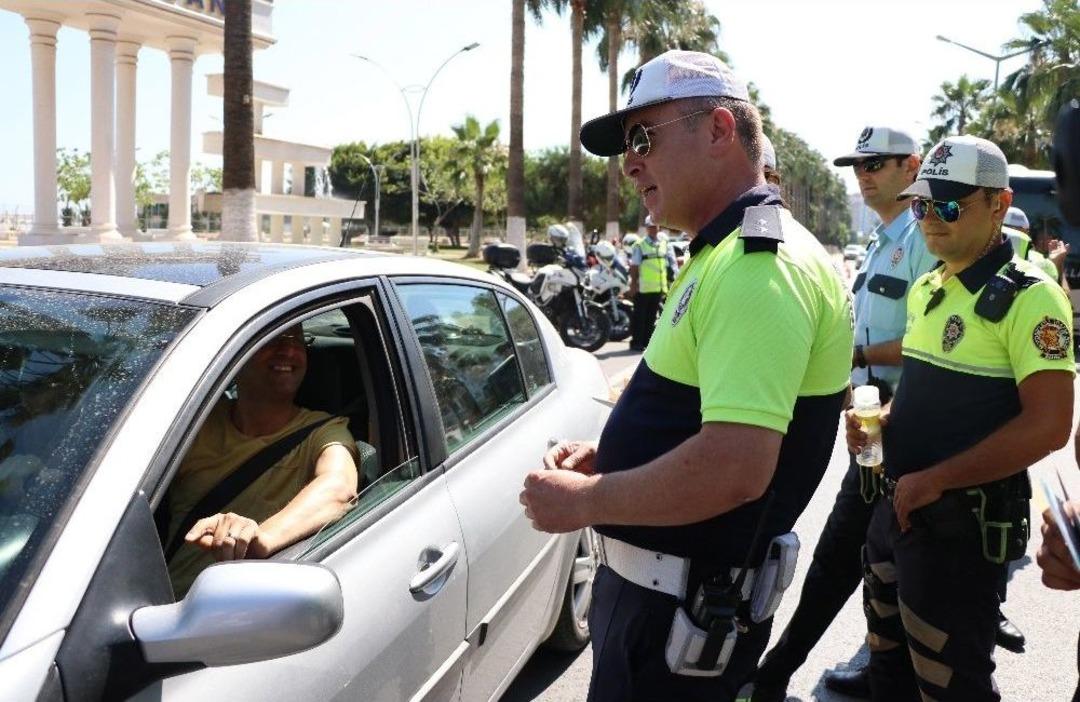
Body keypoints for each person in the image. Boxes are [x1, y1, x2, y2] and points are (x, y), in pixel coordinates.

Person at [519, 49, 853, 702]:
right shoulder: (724, 250)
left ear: (720, 130)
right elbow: (705, 417)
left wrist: (587, 502)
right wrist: (612, 461)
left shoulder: (759, 267)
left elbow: (735, 467)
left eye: (643, 137)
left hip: (673, 624)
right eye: (626, 146)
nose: (630, 161)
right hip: (663, 607)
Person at [848, 135, 1074, 701]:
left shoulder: (1031, 298)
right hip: (895, 513)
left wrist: (940, 479)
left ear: (998, 205)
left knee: (952, 684)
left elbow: (1050, 426)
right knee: (886, 671)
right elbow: (926, 393)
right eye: (923, 205)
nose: (930, 220)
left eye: (949, 206)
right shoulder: (931, 286)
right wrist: (882, 422)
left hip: (957, 533)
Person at [752, 125, 939, 701]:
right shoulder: (886, 240)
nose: (863, 175)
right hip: (870, 426)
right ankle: (858, 668)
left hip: (908, 426)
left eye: (876, 164)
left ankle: (776, 673)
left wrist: (855, 356)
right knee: (865, 555)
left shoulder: (925, 237)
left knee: (856, 554)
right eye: (857, 166)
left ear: (911, 168)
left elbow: (928, 342)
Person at [163, 324, 360, 597]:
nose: (289, 350)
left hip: (244, 612)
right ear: (237, 353)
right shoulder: (192, 423)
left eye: (298, 341)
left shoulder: (324, 431)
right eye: (274, 338)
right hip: (161, 602)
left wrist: (257, 538)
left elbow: (338, 488)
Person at [628, 214, 677, 350]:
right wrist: (633, 285)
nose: (653, 229)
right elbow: (634, 266)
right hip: (643, 288)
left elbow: (667, 265)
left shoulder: (662, 244)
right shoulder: (640, 245)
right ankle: (636, 343)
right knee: (639, 317)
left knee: (651, 317)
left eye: (655, 227)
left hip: (658, 288)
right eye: (650, 227)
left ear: (658, 227)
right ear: (646, 229)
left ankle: (646, 342)